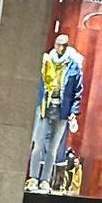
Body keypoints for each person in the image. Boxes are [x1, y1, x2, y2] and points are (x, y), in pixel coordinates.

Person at [27, 33, 83, 193]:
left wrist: (73, 112)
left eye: (64, 45)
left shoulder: (73, 66)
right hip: (45, 107)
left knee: (53, 147)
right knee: (38, 144)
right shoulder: (46, 62)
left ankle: (45, 180)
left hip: (62, 110)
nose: (61, 48)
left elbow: (77, 91)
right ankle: (33, 178)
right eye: (59, 44)